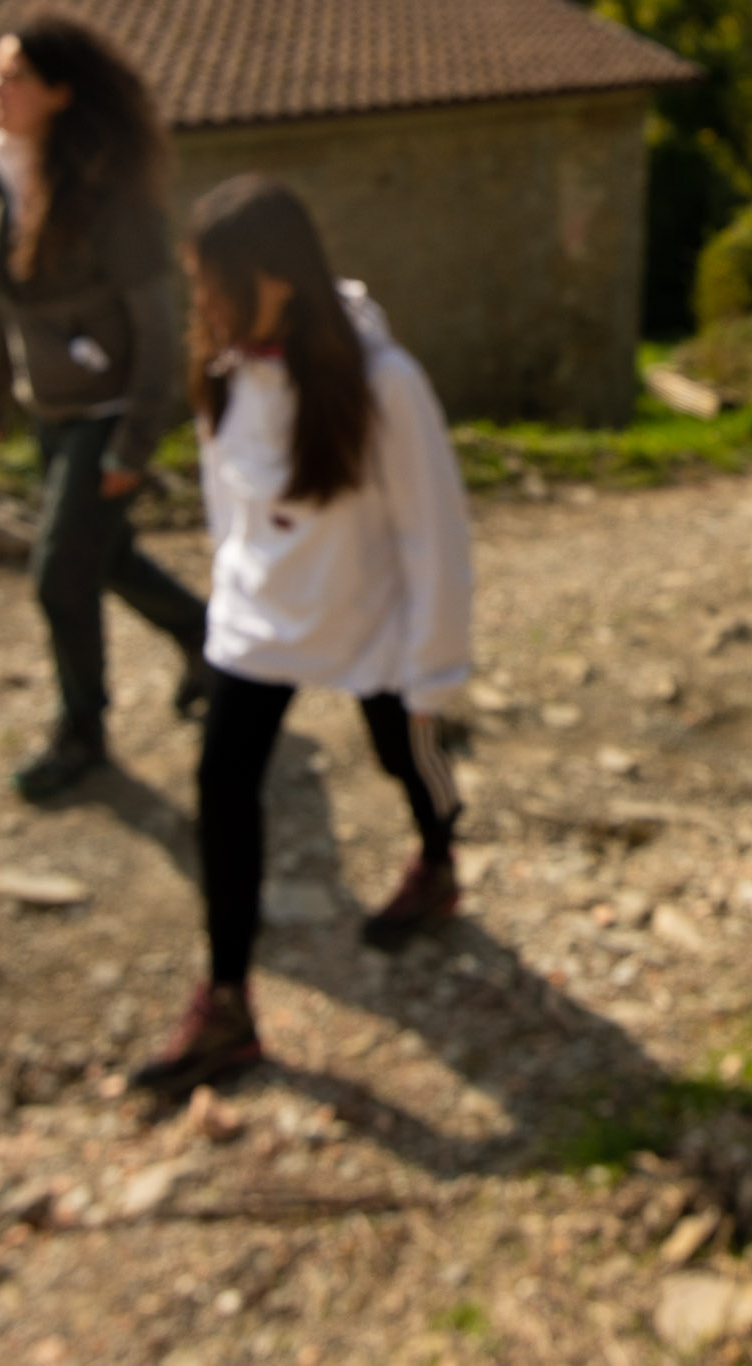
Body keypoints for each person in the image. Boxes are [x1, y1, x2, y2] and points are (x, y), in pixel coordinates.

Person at [132, 174, 474, 1094]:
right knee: (223, 786)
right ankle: (228, 1000)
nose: (202, 303)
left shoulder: (383, 385)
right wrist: (229, 601)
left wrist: (432, 670)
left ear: (278, 276)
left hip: (369, 616)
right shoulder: (224, 365)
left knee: (410, 757)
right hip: (261, 624)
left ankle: (440, 855)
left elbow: (433, 534)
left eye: (217, 281)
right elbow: (227, 507)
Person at [0, 16, 210, 804]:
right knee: (102, 559)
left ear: (61, 94)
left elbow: (158, 332)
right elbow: (0, 303)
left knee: (58, 577)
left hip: (108, 413)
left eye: (12, 78)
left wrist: (132, 448)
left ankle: (82, 732)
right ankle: (204, 637)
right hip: (52, 412)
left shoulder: (114, 196)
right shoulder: (1, 172)